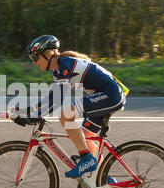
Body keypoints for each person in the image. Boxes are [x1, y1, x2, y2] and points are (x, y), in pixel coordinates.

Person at [14, 34, 127, 179]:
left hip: (111, 95)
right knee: (87, 138)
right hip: (105, 94)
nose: (34, 62)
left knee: (66, 115)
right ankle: (103, 181)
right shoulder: (59, 70)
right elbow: (52, 97)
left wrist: (34, 115)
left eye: (35, 58)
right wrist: (30, 110)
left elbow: (58, 99)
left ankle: (86, 159)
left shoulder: (66, 65)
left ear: (48, 54)